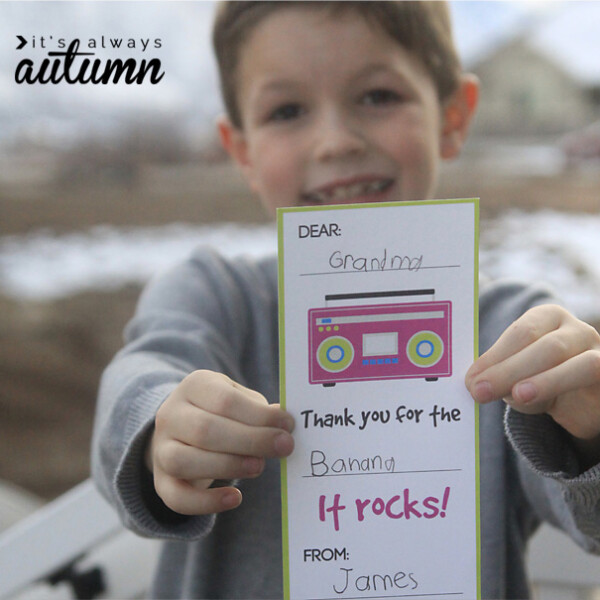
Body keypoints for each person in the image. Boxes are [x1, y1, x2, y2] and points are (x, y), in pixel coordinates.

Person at [91, 2, 600, 598]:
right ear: (243, 151)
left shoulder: (513, 336)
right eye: (287, 110)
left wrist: (587, 433)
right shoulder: (214, 294)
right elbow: (139, 376)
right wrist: (160, 429)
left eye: (379, 96)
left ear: (453, 117)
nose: (336, 142)